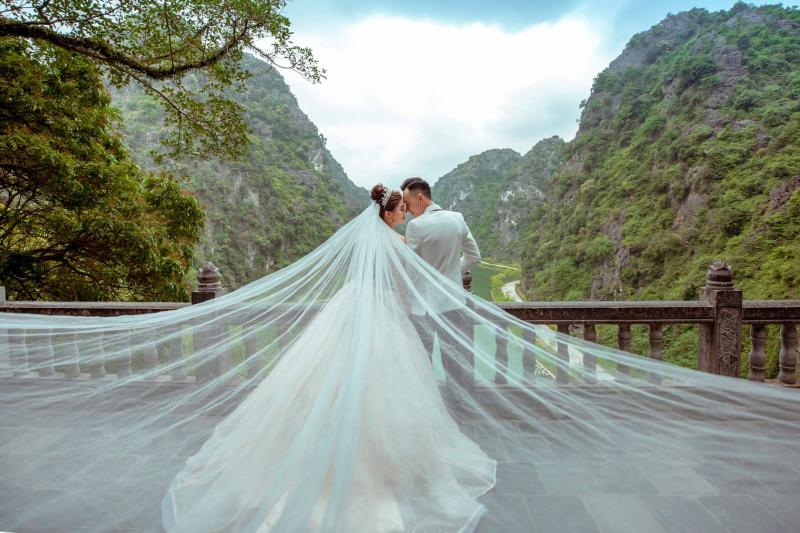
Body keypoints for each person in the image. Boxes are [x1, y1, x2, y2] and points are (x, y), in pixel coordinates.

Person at [1, 184, 799, 532]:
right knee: (387, 403)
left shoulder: (383, 239)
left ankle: (335, 470)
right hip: (388, 323)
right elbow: (421, 275)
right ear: (395, 210)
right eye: (399, 207)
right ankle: (376, 477)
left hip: (356, 320)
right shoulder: (402, 240)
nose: (403, 213)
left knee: (327, 395)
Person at [401, 177, 481, 387]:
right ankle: (458, 403)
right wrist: (451, 273)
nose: (407, 211)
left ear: (420, 197)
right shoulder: (457, 218)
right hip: (455, 304)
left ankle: (430, 404)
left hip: (424, 309)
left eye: (408, 203)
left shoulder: (415, 226)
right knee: (454, 361)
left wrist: (405, 299)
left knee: (424, 364)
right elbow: (474, 257)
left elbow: (411, 271)